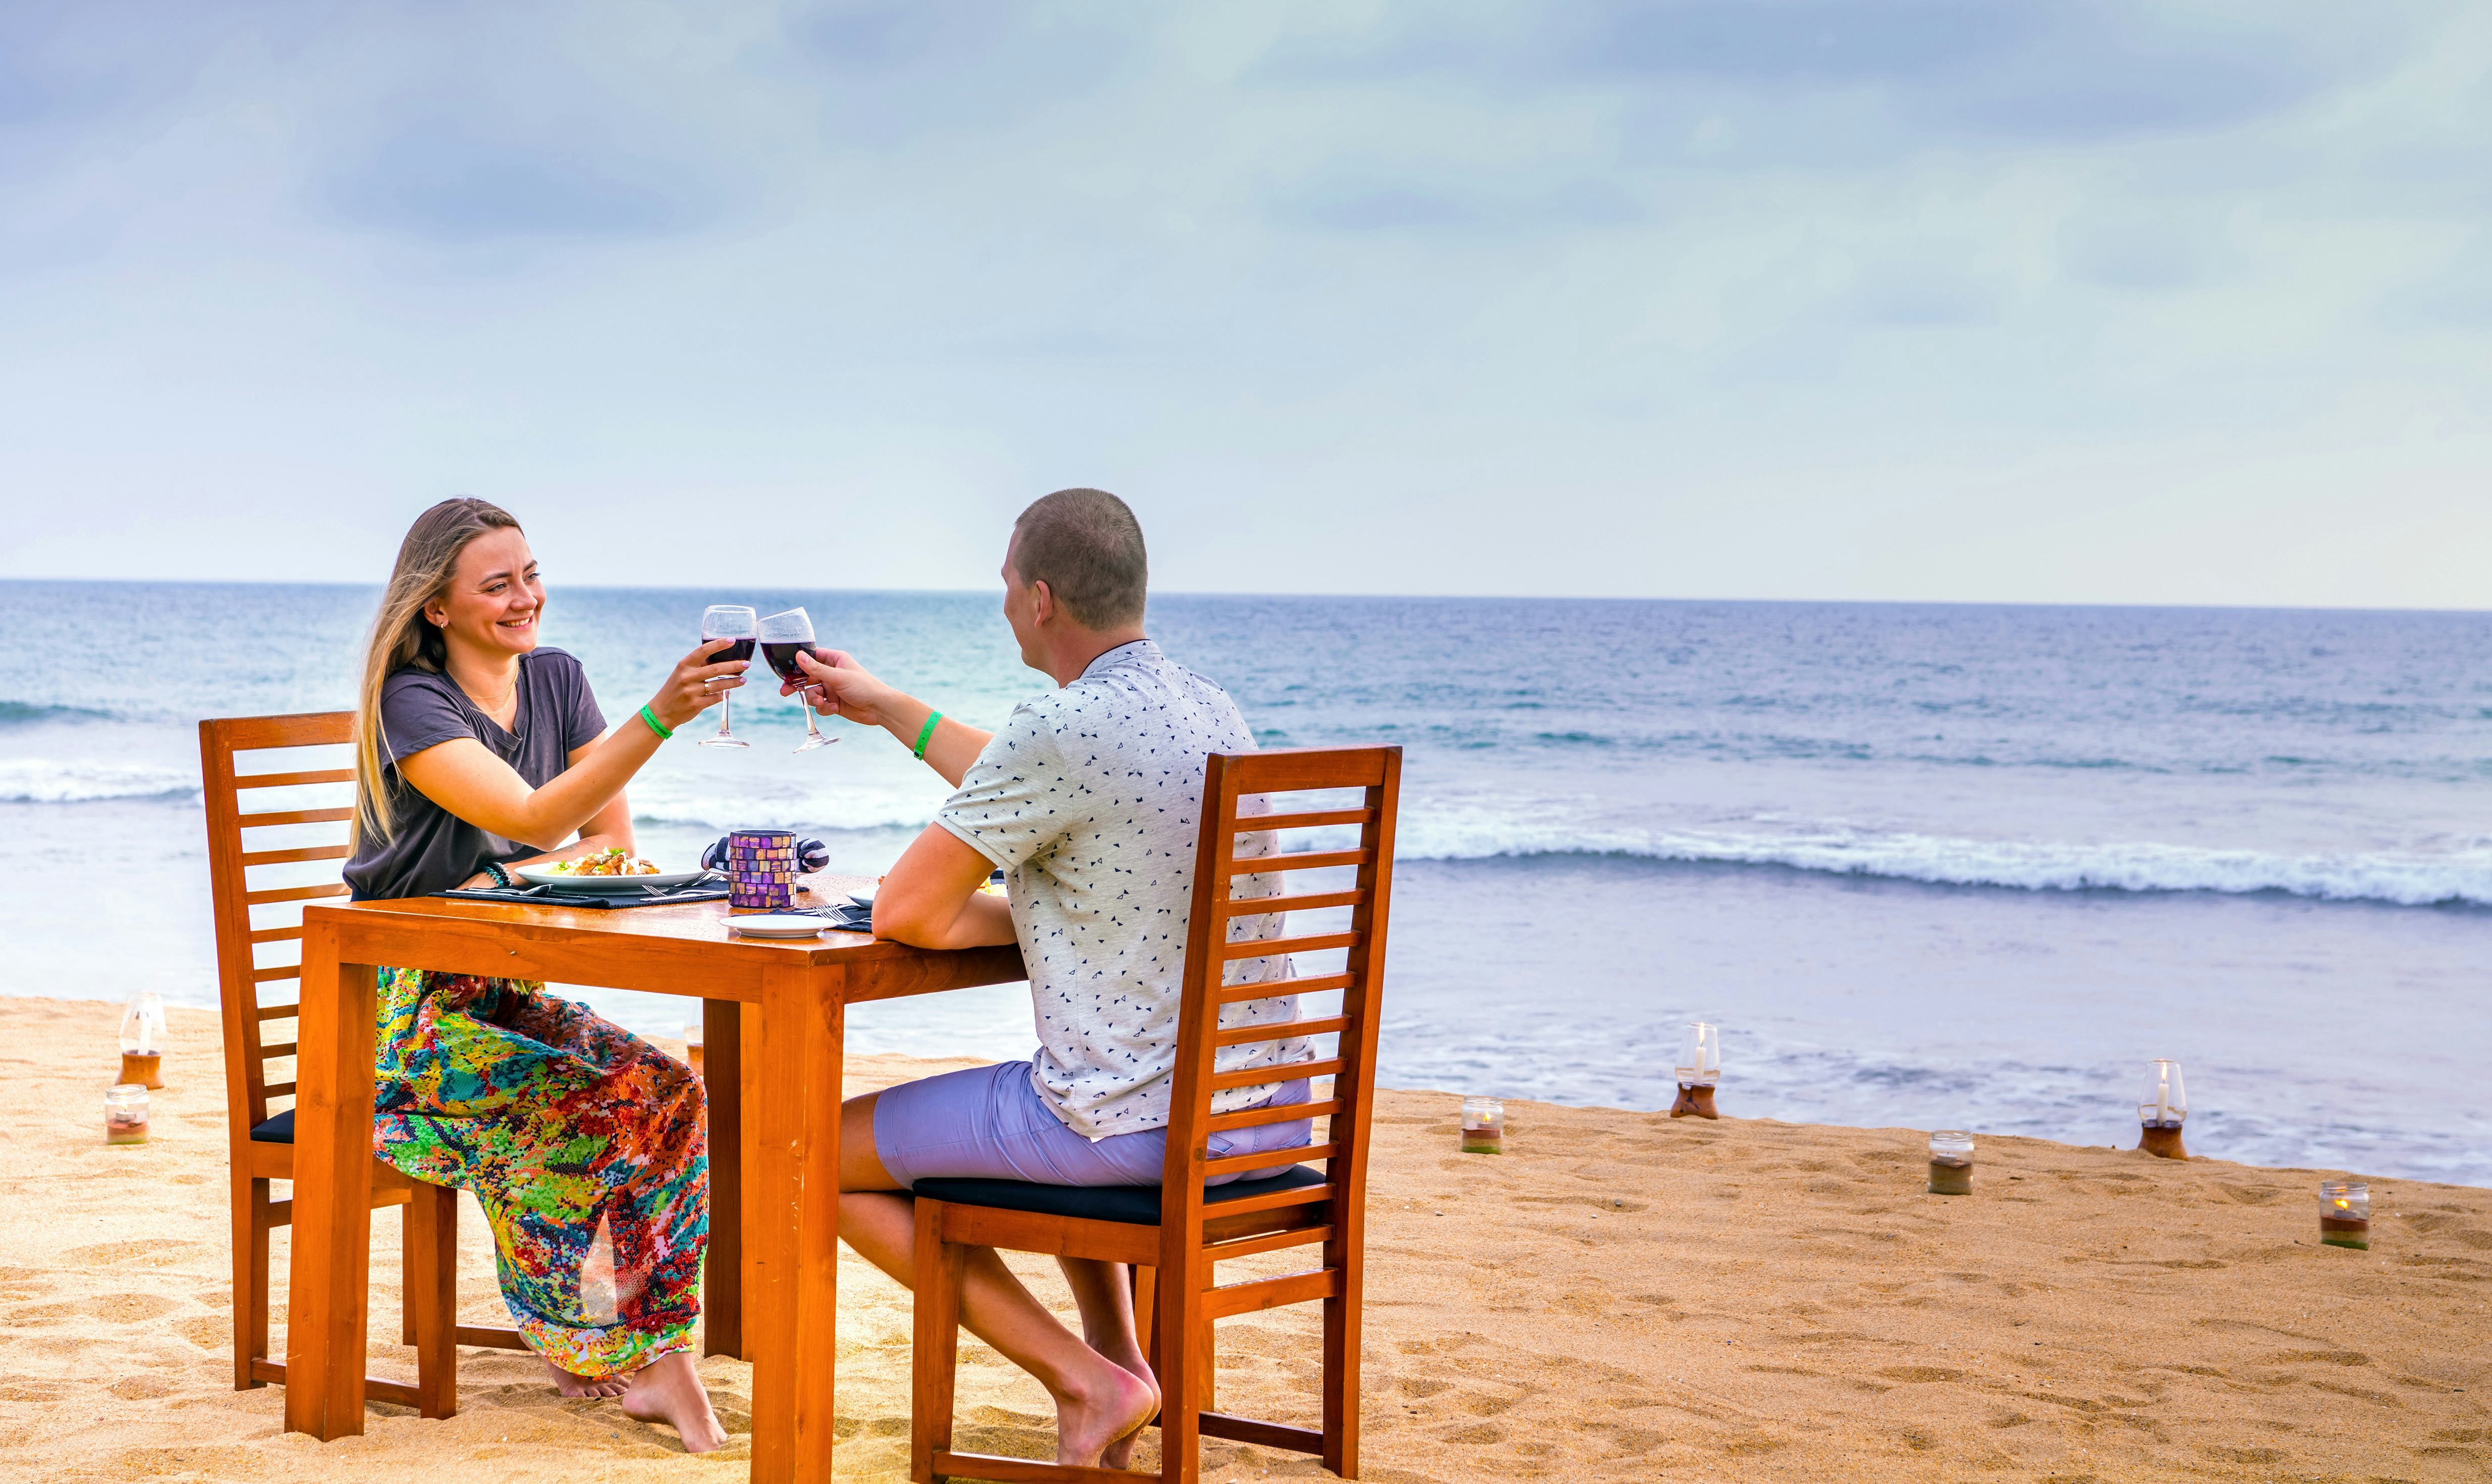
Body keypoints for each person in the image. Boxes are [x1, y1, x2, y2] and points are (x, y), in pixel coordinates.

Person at [783, 488, 1314, 1469]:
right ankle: (1125, 1368)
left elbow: (909, 913)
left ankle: (1085, 1378)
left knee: (807, 1156)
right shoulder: (1210, 710)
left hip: (1132, 1126)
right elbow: (1047, 784)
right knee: (1055, 1075)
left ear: (1038, 600)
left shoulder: (1061, 728)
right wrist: (892, 708)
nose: (1000, 607)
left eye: (1001, 589)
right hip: (1258, 1116)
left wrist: (1034, 912)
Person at [341, 497, 740, 1451]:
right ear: (436, 606)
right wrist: (662, 716)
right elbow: (535, 820)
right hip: (403, 1019)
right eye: (497, 585)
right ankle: (646, 1361)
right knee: (595, 1102)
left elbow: (610, 841)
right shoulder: (413, 701)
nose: (527, 598)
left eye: (530, 575)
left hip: (502, 988)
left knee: (671, 1092)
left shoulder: (556, 679)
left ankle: (614, 1339)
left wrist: (496, 879)